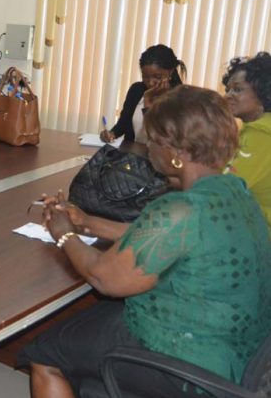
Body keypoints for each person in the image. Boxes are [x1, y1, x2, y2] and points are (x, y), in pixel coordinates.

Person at [20, 85, 271, 397]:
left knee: (46, 353)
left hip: (189, 359)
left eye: (153, 141)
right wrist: (87, 222)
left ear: (176, 154)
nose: (148, 147)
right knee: (86, 327)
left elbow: (103, 277)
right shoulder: (234, 190)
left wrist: (64, 234)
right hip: (236, 349)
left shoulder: (181, 208)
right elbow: (161, 237)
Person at [223, 52, 271, 230]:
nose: (228, 95)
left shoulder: (262, 132)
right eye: (227, 90)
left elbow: (224, 188)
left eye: (237, 89)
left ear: (263, 91)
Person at [100, 44, 186, 143]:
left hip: (158, 157)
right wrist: (111, 134)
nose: (150, 82)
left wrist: (148, 102)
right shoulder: (136, 90)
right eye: (145, 76)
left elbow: (159, 139)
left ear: (170, 72)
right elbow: (123, 124)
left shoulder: (179, 99)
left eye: (157, 77)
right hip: (132, 154)